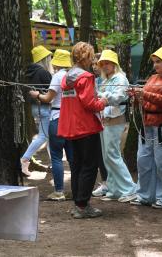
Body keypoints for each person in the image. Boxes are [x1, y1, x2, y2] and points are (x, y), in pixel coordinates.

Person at [58, 42, 108, 219]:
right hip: (85, 126)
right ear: (86, 57)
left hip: (71, 127)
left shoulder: (67, 77)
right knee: (90, 166)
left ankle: (78, 203)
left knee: (77, 166)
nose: (93, 59)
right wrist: (103, 102)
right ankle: (82, 205)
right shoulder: (86, 77)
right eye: (92, 56)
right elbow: (89, 103)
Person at [128, 47, 162, 209]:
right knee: (143, 161)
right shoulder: (152, 78)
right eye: (154, 62)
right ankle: (145, 195)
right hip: (147, 126)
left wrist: (144, 94)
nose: (155, 65)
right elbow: (146, 99)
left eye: (158, 62)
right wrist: (136, 98)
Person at [29, 49, 74, 201]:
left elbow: (48, 98)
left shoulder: (57, 76)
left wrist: (37, 95)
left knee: (56, 157)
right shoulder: (73, 76)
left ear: (56, 62)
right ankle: (76, 190)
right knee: (72, 157)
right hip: (71, 119)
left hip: (57, 118)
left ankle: (59, 191)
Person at [97, 49, 137, 203]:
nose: (105, 66)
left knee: (113, 155)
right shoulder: (106, 80)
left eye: (108, 63)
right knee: (107, 156)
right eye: (103, 64)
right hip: (105, 120)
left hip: (115, 120)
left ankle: (130, 189)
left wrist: (101, 95)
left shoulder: (121, 78)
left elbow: (119, 97)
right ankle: (114, 189)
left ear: (115, 64)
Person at [21, 45, 53, 176]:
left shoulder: (28, 72)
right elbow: (52, 92)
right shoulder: (43, 72)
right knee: (43, 136)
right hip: (44, 108)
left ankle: (52, 162)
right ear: (45, 59)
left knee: (50, 136)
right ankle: (25, 159)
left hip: (35, 108)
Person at [91, 53, 109, 197]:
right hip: (98, 120)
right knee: (99, 154)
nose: (95, 67)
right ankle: (105, 182)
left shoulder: (110, 79)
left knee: (109, 154)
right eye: (93, 64)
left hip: (109, 120)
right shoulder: (96, 80)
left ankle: (107, 183)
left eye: (97, 63)